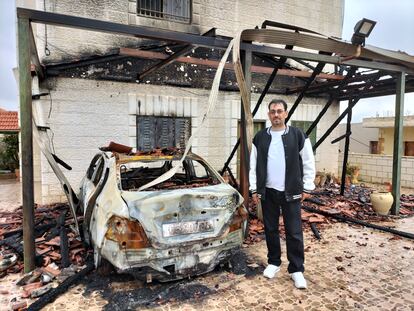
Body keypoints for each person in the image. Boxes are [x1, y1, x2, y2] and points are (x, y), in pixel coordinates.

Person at [249, 99, 315, 289]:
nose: (276, 114)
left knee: (294, 232)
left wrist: (307, 187)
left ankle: (296, 270)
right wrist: (255, 188)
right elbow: (253, 165)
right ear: (269, 115)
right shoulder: (260, 137)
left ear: (286, 113)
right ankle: (274, 262)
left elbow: (308, 161)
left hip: (291, 191)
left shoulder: (298, 135)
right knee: (270, 229)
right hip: (268, 191)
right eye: (272, 111)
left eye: (279, 111)